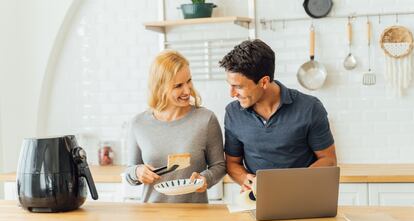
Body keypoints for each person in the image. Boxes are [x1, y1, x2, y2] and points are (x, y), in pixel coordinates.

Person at [219, 39, 337, 191]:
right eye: (230, 85)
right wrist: (245, 179)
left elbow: (328, 160)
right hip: (258, 199)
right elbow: (232, 163)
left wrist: (293, 185)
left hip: (305, 196)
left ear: (264, 82)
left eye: (239, 87)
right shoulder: (233, 113)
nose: (232, 93)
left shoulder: (310, 108)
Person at [125, 50, 226, 203]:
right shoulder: (138, 124)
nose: (187, 90)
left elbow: (219, 166)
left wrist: (205, 178)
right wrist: (137, 172)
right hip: (152, 216)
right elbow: (129, 171)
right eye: (178, 85)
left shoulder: (206, 119)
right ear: (160, 87)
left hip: (194, 217)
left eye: (189, 81)